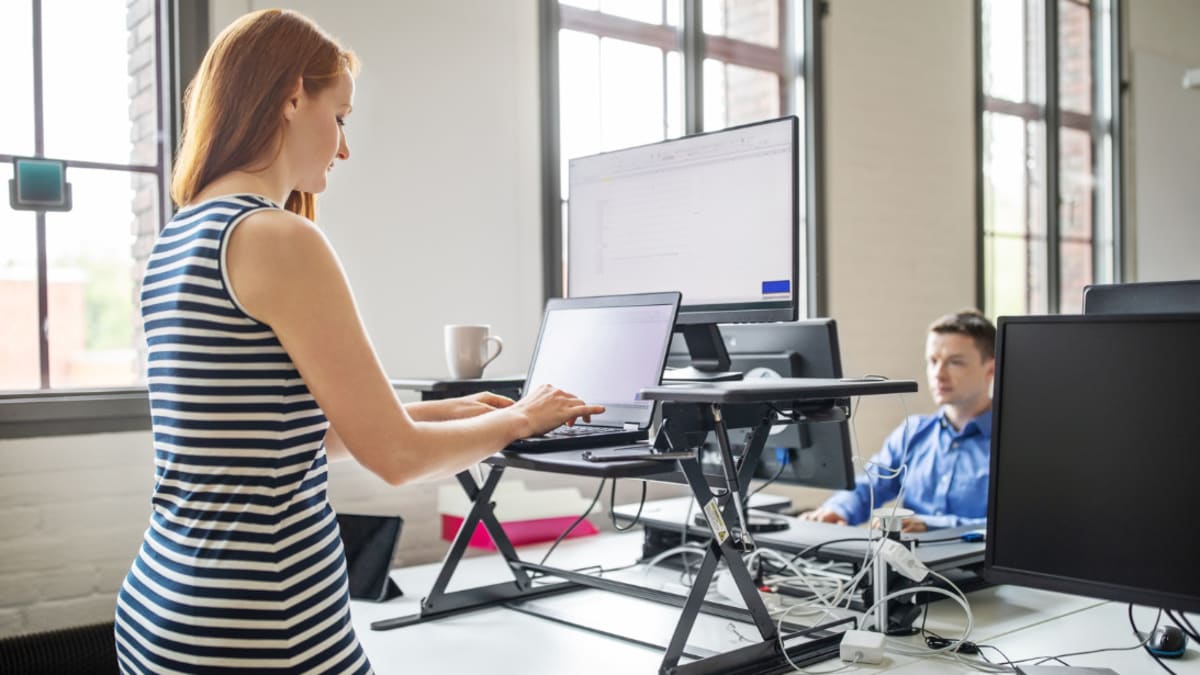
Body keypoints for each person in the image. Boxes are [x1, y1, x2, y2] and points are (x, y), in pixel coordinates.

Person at [113, 10, 602, 673]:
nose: (344, 147)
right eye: (340, 116)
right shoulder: (277, 237)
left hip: (163, 612)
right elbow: (396, 458)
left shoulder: (179, 238)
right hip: (263, 625)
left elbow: (288, 434)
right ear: (292, 96)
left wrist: (449, 412)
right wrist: (523, 419)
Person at [801, 309, 996, 533]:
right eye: (933, 361)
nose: (938, 374)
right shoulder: (913, 432)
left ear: (990, 369)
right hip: (909, 564)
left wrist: (932, 525)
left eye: (955, 362)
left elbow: (1013, 528)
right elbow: (869, 486)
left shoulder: (1014, 446)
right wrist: (838, 510)